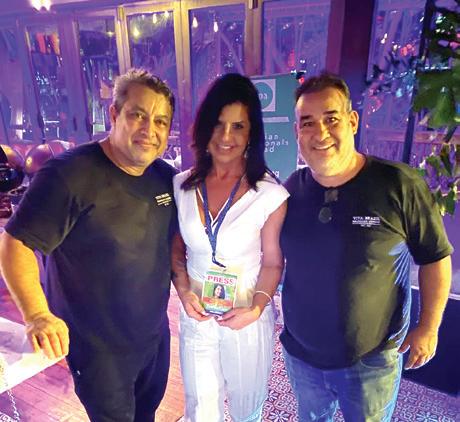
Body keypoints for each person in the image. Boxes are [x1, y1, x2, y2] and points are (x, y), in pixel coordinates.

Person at [0, 68, 177, 422]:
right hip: (100, 352)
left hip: (154, 338)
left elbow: (171, 247)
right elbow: (16, 243)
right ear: (114, 114)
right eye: (138, 115)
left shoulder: (165, 178)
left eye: (160, 121)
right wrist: (37, 315)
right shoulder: (69, 174)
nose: (150, 129)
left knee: (147, 414)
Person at [280, 72, 453, 421]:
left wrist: (429, 327)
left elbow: (435, 257)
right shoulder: (292, 189)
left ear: (352, 121)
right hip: (301, 356)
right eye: (308, 123)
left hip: (371, 361)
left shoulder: (398, 184)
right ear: (297, 132)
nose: (320, 133)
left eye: (331, 119)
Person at [171, 73, 289, 422]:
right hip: (196, 314)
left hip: (246, 316)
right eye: (218, 124)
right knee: (199, 408)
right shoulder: (181, 185)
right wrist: (183, 292)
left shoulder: (269, 194)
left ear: (252, 133)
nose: (226, 137)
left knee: (246, 408)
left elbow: (273, 263)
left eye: (238, 126)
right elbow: (176, 251)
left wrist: (256, 308)